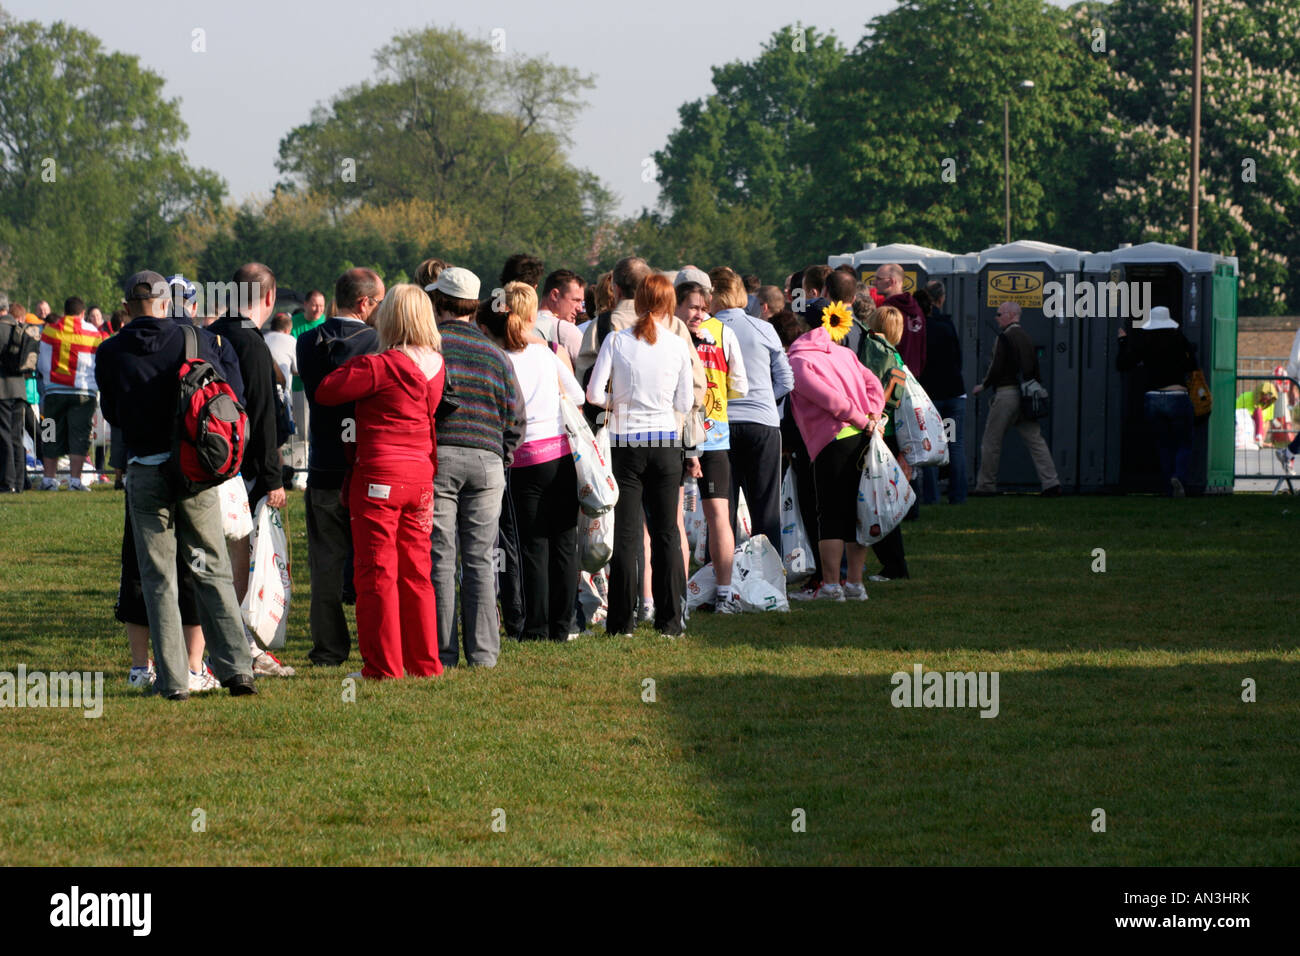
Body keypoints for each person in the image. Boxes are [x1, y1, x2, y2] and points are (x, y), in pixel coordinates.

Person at [95, 270, 257, 700]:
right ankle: (238, 670)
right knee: (210, 567)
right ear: (168, 303)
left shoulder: (110, 351)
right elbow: (227, 394)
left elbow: (112, 412)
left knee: (158, 576)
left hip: (145, 469)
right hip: (194, 467)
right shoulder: (197, 340)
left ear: (127, 307)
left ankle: (172, 681)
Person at [315, 285, 445, 679]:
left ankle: (383, 665)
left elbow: (327, 390)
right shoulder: (438, 364)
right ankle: (425, 662)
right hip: (421, 476)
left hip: (379, 476)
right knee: (417, 572)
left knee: (376, 572)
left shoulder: (381, 365)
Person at [429, 267, 526, 669]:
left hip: (440, 458)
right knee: (481, 559)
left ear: (439, 304)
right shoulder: (496, 354)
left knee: (441, 558)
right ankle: (484, 654)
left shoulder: (430, 348)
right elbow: (516, 418)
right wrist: (501, 457)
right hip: (487, 463)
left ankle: (442, 652)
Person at [586, 274, 694, 636]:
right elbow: (685, 402)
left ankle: (621, 623)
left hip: (625, 442)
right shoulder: (678, 345)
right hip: (665, 442)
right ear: (668, 304)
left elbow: (593, 393)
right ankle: (671, 620)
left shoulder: (616, 340)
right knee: (667, 534)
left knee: (627, 535)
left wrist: (616, 403)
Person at [480, 282, 584, 642]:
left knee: (532, 545)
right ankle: (564, 623)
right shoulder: (544, 354)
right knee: (564, 542)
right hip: (559, 455)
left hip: (522, 460)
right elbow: (578, 394)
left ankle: (536, 626)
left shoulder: (500, 358)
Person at [210, 264, 295, 677]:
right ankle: (236, 640)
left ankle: (209, 642)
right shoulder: (251, 342)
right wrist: (273, 477)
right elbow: (262, 417)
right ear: (269, 297)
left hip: (204, 461)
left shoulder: (209, 334)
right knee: (238, 555)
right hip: (239, 469)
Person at [297, 269, 385, 667]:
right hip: (366, 464)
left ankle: (329, 648)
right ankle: (377, 644)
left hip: (323, 465)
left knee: (325, 567)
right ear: (364, 303)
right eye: (379, 303)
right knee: (374, 563)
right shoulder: (378, 343)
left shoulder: (306, 341)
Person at [787, 311, 886, 602]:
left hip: (832, 440)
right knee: (858, 512)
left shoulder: (798, 360)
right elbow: (874, 385)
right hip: (862, 437)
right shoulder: (844, 353)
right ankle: (855, 584)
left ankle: (831, 585)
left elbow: (829, 400)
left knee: (829, 514)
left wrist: (859, 418)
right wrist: (872, 416)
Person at [710, 266, 793, 551]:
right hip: (762, 423)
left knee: (721, 508)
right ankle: (770, 579)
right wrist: (765, 401)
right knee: (766, 508)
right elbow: (786, 380)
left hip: (719, 423)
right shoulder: (764, 327)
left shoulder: (705, 330)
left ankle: (720, 578)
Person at [677, 280, 748, 612]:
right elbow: (740, 387)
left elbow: (739, 387)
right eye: (695, 307)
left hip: (697, 434)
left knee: (703, 514)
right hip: (698, 432)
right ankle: (703, 593)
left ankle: (709, 593)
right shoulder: (721, 333)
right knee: (702, 514)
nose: (700, 314)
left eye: (703, 307)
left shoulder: (669, 333)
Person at [972, 302, 1061, 496]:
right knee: (1035, 441)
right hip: (1026, 396)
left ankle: (986, 486)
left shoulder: (1005, 337)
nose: (996, 317)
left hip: (1006, 394)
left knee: (991, 441)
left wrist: (983, 385)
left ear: (1011, 315)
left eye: (999, 314)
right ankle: (1051, 483)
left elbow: (996, 366)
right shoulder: (1026, 337)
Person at [1114, 306, 1198, 497]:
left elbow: (1123, 364)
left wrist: (1122, 342)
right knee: (1184, 443)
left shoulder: (1145, 342)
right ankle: (1179, 476)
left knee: (1164, 444)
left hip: (1153, 398)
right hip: (1177, 396)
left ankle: (1168, 486)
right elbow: (1192, 365)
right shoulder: (1179, 339)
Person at [36, 296, 101, 491]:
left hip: (54, 392)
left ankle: (48, 480)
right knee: (80, 435)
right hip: (83, 392)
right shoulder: (94, 333)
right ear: (83, 313)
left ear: (64, 312)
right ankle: (75, 481)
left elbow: (42, 362)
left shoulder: (50, 331)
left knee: (49, 432)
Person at [918, 279, 967, 504]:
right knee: (954, 444)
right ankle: (958, 496)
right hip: (955, 394)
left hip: (931, 396)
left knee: (930, 446)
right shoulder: (948, 325)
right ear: (942, 298)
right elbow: (958, 358)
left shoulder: (921, 328)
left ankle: (931, 496)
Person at [0, 292, 40, 493]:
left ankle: (7, 483)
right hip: (20, 389)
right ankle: (19, 481)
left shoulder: (1, 329)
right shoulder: (19, 328)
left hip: (3, 390)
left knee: (4, 435)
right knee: (17, 437)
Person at [873, 263, 926, 376]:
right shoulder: (917, 310)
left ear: (891, 281)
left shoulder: (887, 312)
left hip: (893, 376)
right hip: (915, 377)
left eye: (878, 279)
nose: (874, 283)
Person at [537, 269, 585, 368]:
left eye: (581, 302)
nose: (580, 308)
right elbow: (589, 373)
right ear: (555, 295)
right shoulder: (566, 330)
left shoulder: (520, 324)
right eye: (575, 300)